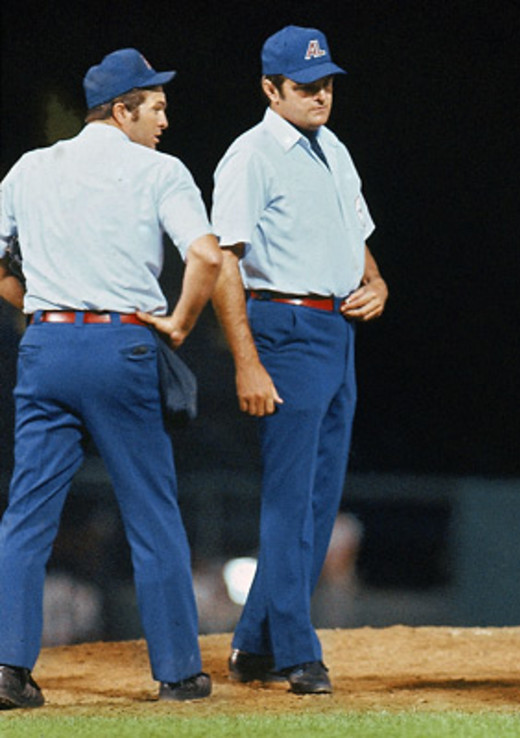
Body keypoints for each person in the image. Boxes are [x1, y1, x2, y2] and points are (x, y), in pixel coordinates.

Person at [0, 48, 221, 708]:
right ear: (121, 110)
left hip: (46, 345)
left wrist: (39, 309)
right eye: (154, 106)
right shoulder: (159, 171)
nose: (164, 118)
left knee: (25, 518)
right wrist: (179, 323)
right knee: (153, 513)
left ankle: (8, 669)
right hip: (122, 344)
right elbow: (207, 257)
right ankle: (179, 673)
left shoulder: (28, 169)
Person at [210, 25, 387, 696]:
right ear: (270, 88)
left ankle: (255, 643)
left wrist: (378, 280)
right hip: (282, 323)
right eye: (306, 85)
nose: (321, 95)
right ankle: (294, 649)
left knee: (318, 502)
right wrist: (246, 362)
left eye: (327, 83)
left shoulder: (331, 147)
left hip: (335, 329)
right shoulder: (250, 155)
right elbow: (226, 258)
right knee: (290, 500)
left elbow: (358, 234)